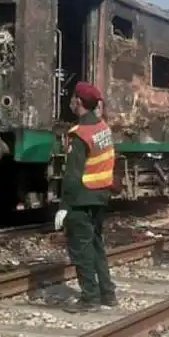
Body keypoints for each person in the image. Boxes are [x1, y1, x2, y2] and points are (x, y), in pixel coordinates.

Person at [54, 82, 117, 313]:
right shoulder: (103, 128)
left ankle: (89, 297)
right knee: (97, 245)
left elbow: (72, 174)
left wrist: (63, 206)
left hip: (81, 198)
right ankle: (108, 294)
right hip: (100, 196)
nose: (70, 101)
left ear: (78, 101)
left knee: (81, 249)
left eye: (72, 97)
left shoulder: (80, 133)